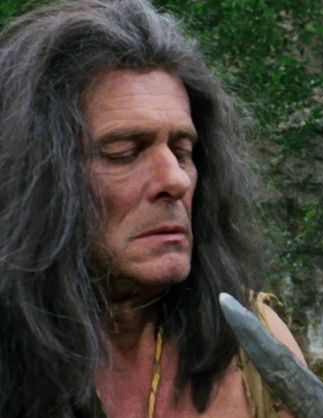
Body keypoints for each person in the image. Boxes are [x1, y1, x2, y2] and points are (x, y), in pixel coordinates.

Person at [0, 1, 306, 417]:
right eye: (125, 153)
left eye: (182, 152)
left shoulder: (252, 350)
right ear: (35, 179)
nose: (176, 181)